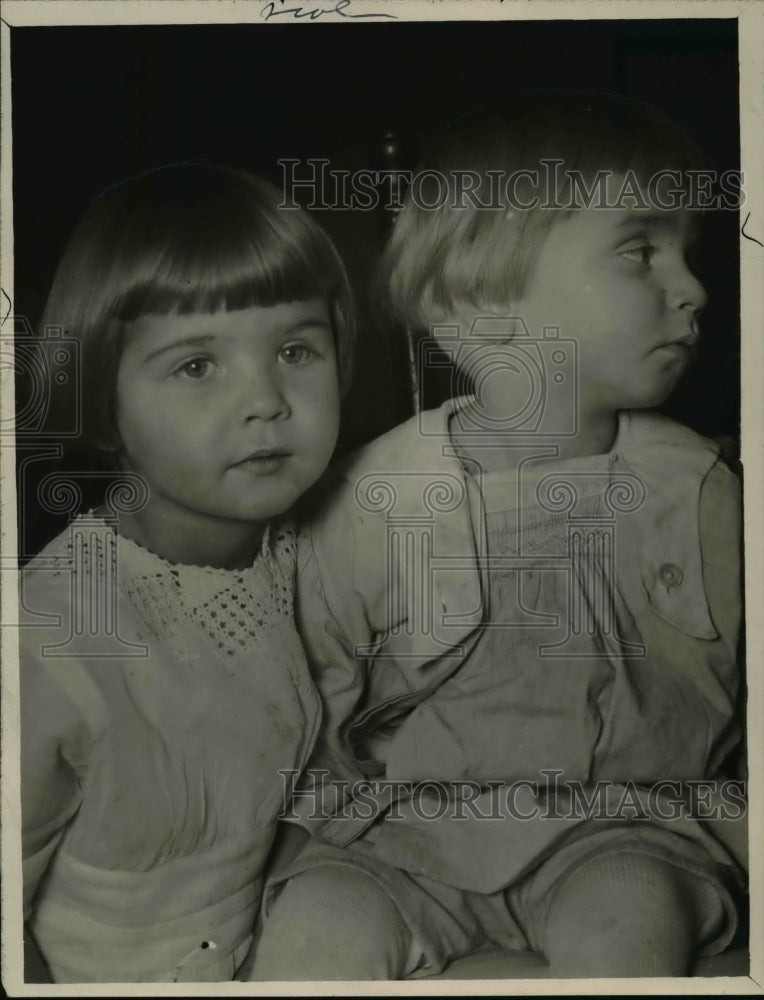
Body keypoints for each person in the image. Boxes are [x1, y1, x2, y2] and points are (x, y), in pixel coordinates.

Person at [249, 94, 746, 980]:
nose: (694, 287)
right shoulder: (370, 501)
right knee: (317, 923)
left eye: (690, 252)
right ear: (482, 297)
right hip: (405, 841)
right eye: (640, 250)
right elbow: (304, 714)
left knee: (630, 916)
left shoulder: (705, 492)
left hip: (622, 830)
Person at [18, 163, 354, 982]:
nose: (267, 400)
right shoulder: (50, 640)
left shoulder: (305, 559)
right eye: (197, 365)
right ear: (102, 401)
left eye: (296, 349)